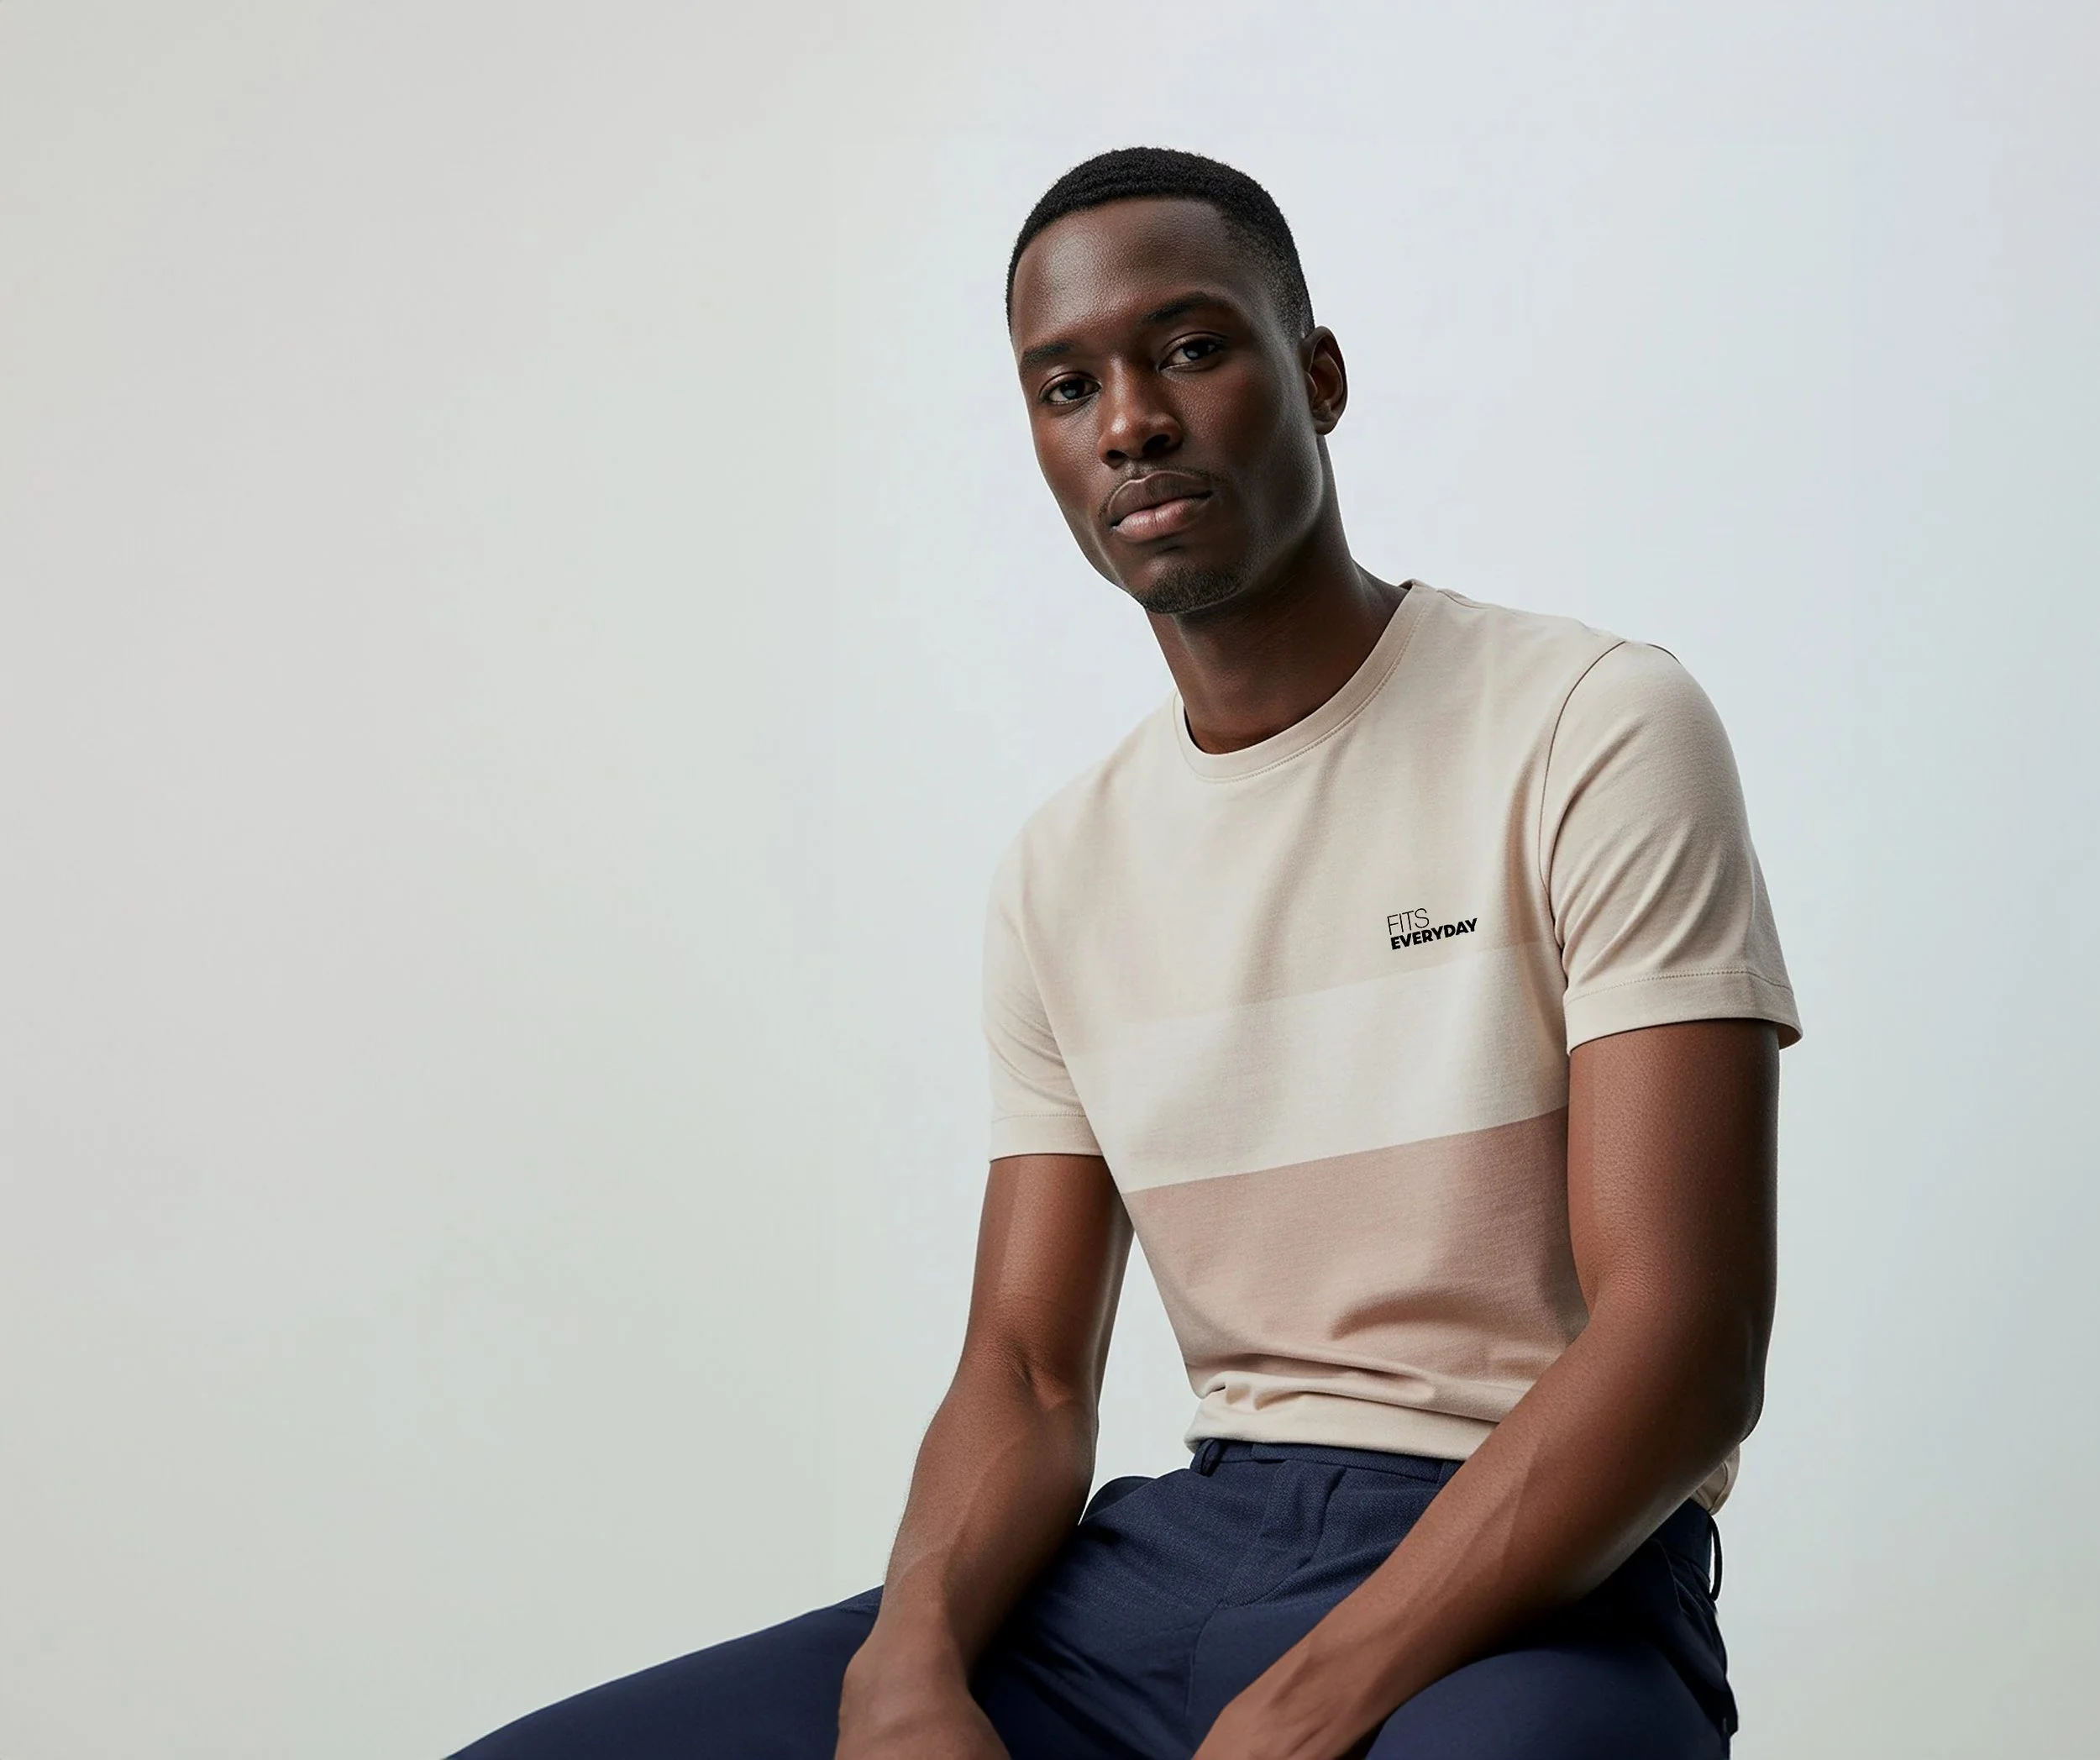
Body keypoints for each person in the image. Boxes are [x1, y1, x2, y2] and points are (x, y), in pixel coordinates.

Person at [452, 145, 1800, 1760]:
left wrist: (1304, 1704)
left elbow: (1685, 1339)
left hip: (1534, 1571)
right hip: (1174, 1568)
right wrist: (905, 1671)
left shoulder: (1592, 726)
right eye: (1065, 384)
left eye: (1188, 348)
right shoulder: (1062, 872)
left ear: (1317, 376)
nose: (1130, 421)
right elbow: (1025, 1374)